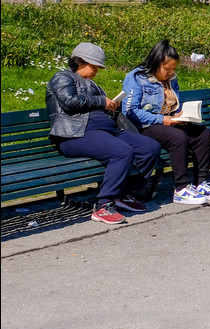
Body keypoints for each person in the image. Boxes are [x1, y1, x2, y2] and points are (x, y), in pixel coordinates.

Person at [47, 42, 161, 224]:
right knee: (122, 152)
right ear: (80, 61)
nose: (96, 71)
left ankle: (123, 194)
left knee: (150, 147)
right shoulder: (62, 77)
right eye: (94, 67)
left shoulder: (93, 85)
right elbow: (69, 101)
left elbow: (93, 105)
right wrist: (101, 101)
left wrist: (109, 106)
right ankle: (103, 205)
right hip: (75, 134)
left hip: (107, 130)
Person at [122, 39, 210, 205]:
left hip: (168, 122)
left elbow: (173, 103)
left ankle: (201, 183)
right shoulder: (136, 77)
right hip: (145, 126)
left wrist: (180, 115)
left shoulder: (171, 79)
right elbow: (130, 111)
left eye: (173, 69)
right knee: (178, 138)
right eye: (167, 69)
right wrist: (162, 119)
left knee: (203, 134)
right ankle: (181, 189)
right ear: (156, 63)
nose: (170, 73)